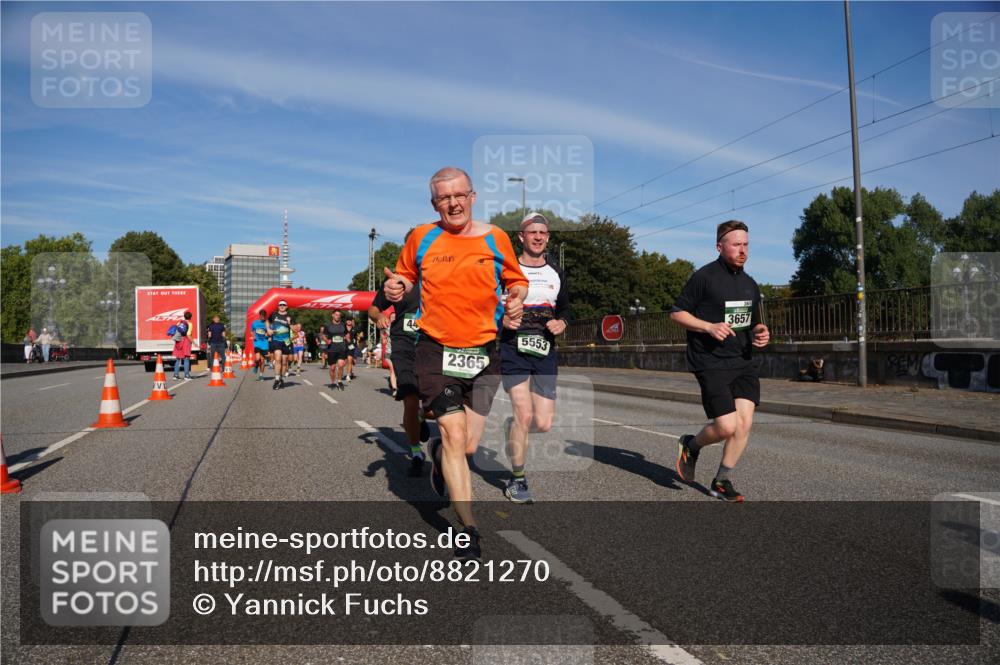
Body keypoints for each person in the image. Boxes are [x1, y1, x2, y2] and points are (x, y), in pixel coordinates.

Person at [384, 166, 528, 560]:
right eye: (444, 198)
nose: (453, 203)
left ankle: (438, 456)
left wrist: (515, 296)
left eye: (459, 195)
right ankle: (468, 529)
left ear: (472, 196)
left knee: (467, 445)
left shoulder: (495, 237)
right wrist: (395, 286)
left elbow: (516, 280)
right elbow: (403, 279)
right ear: (434, 203)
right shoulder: (421, 237)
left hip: (484, 352)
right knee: (451, 434)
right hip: (436, 350)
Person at [669, 220, 770, 502]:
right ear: (719, 246)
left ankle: (722, 481)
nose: (742, 250)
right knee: (726, 426)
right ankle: (691, 445)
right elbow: (677, 314)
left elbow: (751, 324)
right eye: (736, 244)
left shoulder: (750, 284)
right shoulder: (705, 277)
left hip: (743, 361)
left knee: (744, 424)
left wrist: (760, 332)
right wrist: (708, 327)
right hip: (710, 360)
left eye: (746, 244)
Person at [499, 212, 570, 504]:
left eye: (543, 233)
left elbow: (566, 309)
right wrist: (502, 320)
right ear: (521, 237)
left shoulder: (557, 272)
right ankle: (517, 479)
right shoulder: (507, 268)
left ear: (548, 237)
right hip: (513, 347)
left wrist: (562, 323)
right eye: (533, 232)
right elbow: (489, 304)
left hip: (544, 350)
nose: (538, 237)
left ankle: (512, 428)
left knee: (542, 423)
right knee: (523, 412)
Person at [371, 281, 431, 476]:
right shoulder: (396, 281)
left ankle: (421, 417)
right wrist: (379, 315)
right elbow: (373, 308)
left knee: (437, 407)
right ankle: (415, 453)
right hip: (404, 346)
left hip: (433, 346)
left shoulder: (442, 271)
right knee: (411, 401)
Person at [269, 300, 294, 389]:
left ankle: (281, 378)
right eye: (280, 305)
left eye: (284, 305)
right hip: (276, 340)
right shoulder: (274, 314)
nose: (282, 306)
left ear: (286, 306)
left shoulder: (290, 316)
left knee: (284, 362)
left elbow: (294, 329)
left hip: (286, 341)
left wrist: (289, 322)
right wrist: (268, 329)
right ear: (278, 306)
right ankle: (276, 379)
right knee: (278, 358)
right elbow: (267, 322)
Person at [324, 310, 349, 390]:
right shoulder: (328, 325)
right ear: (332, 315)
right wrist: (326, 341)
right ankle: (332, 382)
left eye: (339, 315)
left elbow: (347, 333)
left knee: (341, 365)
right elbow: (324, 335)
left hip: (341, 348)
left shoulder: (343, 325)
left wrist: (347, 337)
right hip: (331, 349)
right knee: (332, 368)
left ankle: (340, 381)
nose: (337, 316)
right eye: (336, 314)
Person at [172, 311, 194, 380]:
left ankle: (175, 375)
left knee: (178, 359)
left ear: (184, 316)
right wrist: (193, 342)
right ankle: (186, 375)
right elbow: (188, 334)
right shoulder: (190, 324)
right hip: (186, 341)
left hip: (178, 341)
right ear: (190, 317)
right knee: (186, 359)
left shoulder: (179, 323)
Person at [251, 309, 270, 380]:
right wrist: (253, 336)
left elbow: (269, 332)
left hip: (264, 343)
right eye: (261, 316)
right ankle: (256, 365)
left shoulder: (267, 323)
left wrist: (267, 334)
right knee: (257, 358)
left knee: (262, 361)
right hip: (257, 343)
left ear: (265, 316)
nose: (263, 318)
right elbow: (252, 331)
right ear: (259, 316)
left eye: (264, 316)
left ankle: (261, 375)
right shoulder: (255, 323)